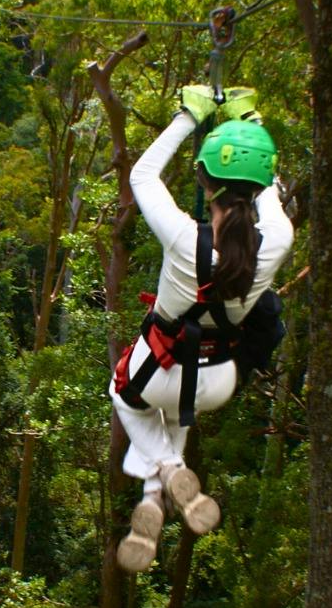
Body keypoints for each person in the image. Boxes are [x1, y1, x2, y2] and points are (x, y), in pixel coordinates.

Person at [110, 85, 293, 572]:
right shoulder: (278, 239)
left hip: (159, 372)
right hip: (218, 382)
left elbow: (142, 174)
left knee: (124, 392)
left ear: (204, 184)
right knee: (175, 413)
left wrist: (189, 115)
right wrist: (250, 121)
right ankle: (153, 499)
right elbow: (269, 187)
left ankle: (169, 470)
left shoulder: (183, 238)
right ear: (256, 189)